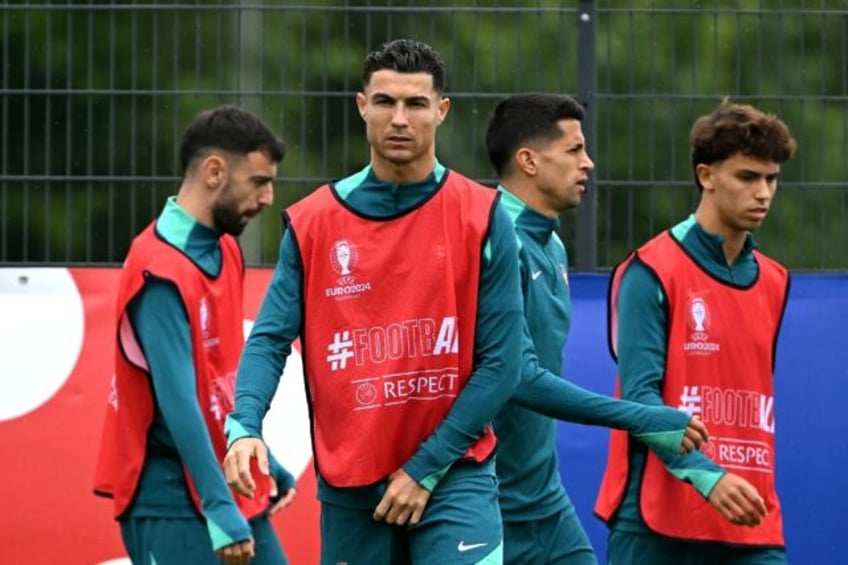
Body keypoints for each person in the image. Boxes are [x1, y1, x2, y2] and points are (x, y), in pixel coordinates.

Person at [223, 39, 523, 564]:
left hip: (455, 472)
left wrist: (425, 468)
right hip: (351, 485)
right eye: (385, 102)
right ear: (362, 107)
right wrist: (245, 425)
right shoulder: (314, 222)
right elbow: (270, 338)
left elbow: (503, 363)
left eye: (416, 104)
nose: (399, 118)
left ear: (442, 111)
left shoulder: (483, 215)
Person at [485, 93, 710, 564]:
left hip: (543, 501)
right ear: (528, 160)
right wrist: (642, 417)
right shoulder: (490, 241)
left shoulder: (552, 247)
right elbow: (518, 376)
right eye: (573, 150)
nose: (588, 163)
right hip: (481, 503)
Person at [595, 99, 797, 564]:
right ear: (706, 176)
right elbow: (639, 399)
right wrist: (707, 475)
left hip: (751, 517)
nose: (763, 192)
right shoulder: (651, 269)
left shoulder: (775, 280)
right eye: (747, 177)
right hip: (656, 521)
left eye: (771, 179)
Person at [93, 105, 296, 565]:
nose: (268, 198)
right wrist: (218, 507)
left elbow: (216, 382)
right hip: (168, 498)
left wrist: (263, 456)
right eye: (259, 181)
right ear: (214, 171)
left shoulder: (226, 248)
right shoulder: (158, 271)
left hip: (221, 483)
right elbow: (179, 402)